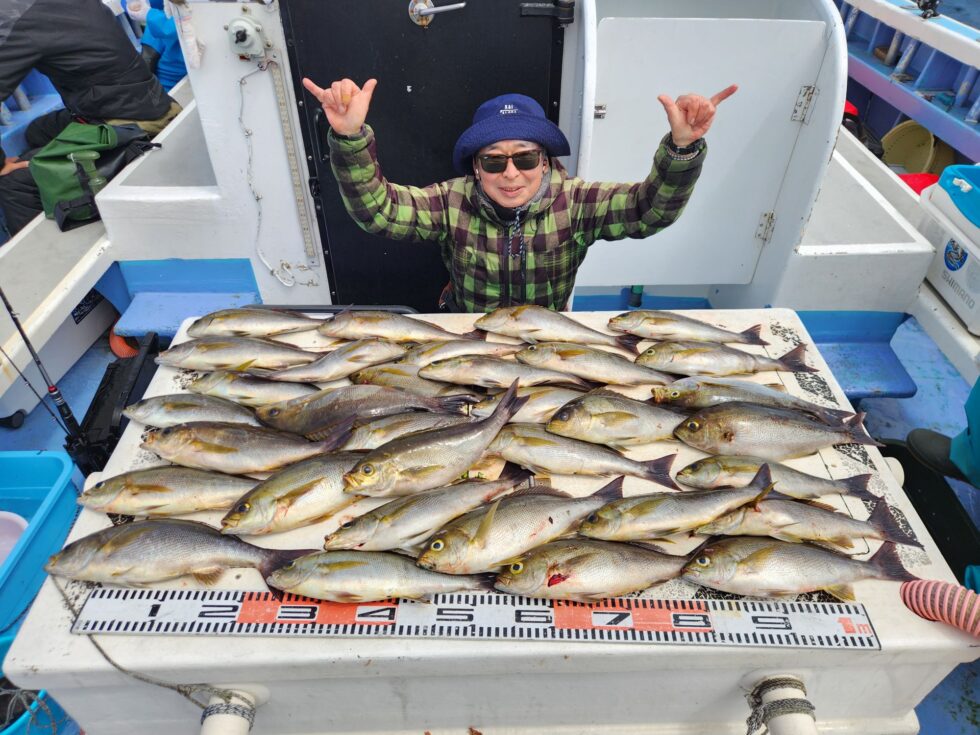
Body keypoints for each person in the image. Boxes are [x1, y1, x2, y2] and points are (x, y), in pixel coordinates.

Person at [303, 76, 736, 312]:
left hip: (547, 340)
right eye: (494, 161)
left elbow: (650, 211)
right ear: (476, 167)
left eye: (525, 159)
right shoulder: (451, 202)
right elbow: (376, 212)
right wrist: (350, 136)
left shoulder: (577, 202)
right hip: (468, 334)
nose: (510, 173)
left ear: (544, 162)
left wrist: (683, 148)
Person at [0, 0, 181, 238]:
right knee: (38, 131)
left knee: (13, 182)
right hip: (144, 101)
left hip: (130, 126)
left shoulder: (17, 18)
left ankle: (48, 253)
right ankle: (57, 187)